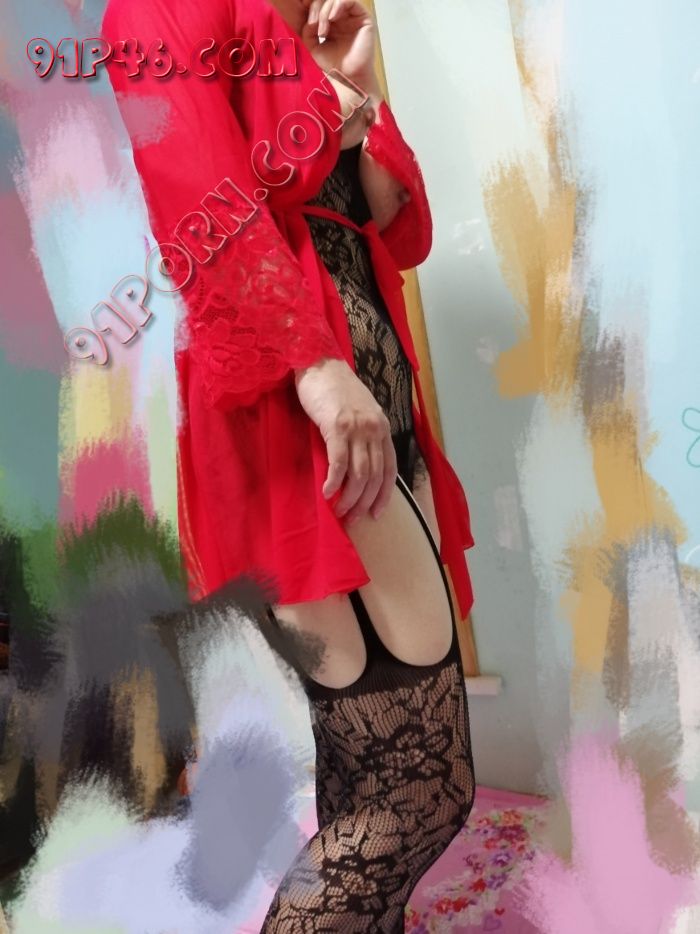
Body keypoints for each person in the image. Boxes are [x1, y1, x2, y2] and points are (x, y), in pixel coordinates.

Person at [102, 0, 476, 929]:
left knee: (366, 769)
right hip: (293, 391)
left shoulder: (312, 19)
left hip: (368, 377)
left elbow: (392, 227)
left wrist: (350, 82)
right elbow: (197, 192)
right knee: (419, 791)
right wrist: (313, 368)